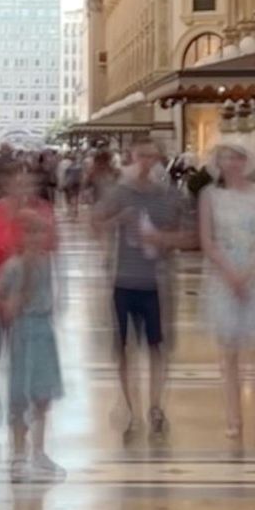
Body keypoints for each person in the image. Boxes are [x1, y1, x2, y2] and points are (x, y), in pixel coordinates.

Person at [198, 138, 255, 449]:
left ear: (246, 162)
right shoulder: (210, 197)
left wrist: (249, 272)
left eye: (237, 158)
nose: (232, 164)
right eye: (226, 158)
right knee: (229, 355)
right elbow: (208, 240)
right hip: (224, 278)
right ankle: (234, 419)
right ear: (218, 163)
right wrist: (230, 273)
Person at [95, 137, 183, 440]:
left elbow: (188, 235)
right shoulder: (119, 193)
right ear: (131, 158)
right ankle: (131, 408)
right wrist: (117, 219)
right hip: (123, 280)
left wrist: (164, 240)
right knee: (124, 349)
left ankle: (155, 406)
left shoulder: (170, 196)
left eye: (152, 156)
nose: (146, 162)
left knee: (156, 347)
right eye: (141, 156)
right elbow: (96, 223)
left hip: (156, 282)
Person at [0, 190, 65, 481]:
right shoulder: (14, 266)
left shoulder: (47, 263)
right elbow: (1, 300)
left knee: (43, 395)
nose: (36, 238)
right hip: (24, 333)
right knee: (20, 394)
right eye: (29, 232)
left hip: (44, 332)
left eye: (39, 231)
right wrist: (13, 300)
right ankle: (18, 453)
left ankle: (39, 450)